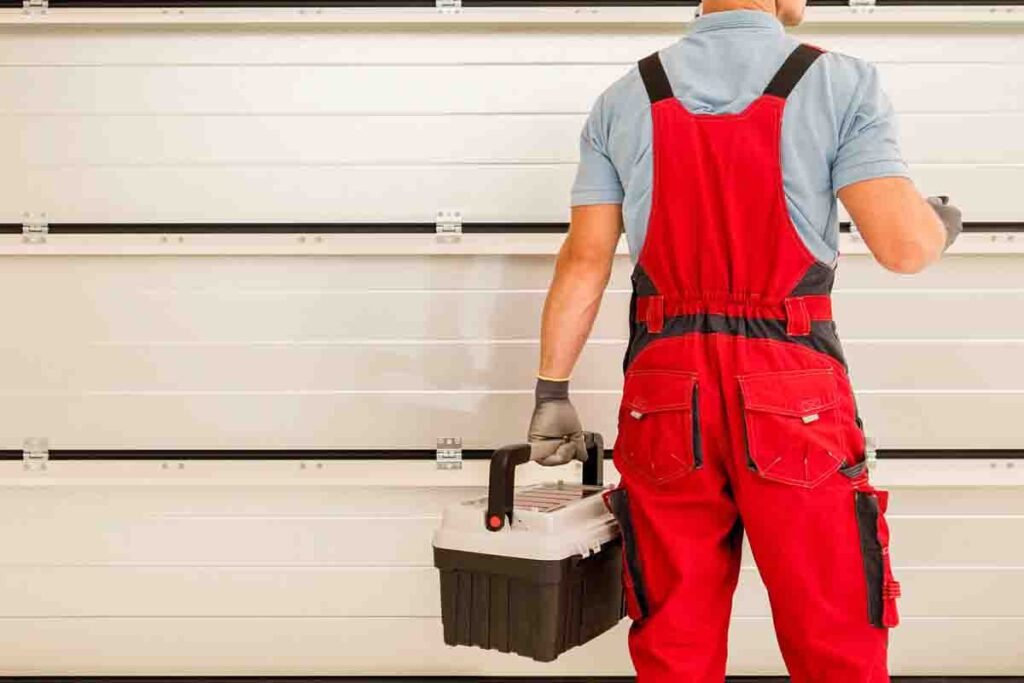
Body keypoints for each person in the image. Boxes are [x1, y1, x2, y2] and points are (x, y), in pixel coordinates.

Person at [525, 1, 963, 681]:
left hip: (664, 386)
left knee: (674, 635)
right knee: (835, 629)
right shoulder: (838, 81)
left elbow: (584, 259)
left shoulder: (624, 96)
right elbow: (906, 247)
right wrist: (939, 223)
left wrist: (552, 389)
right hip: (792, 383)